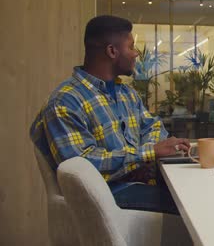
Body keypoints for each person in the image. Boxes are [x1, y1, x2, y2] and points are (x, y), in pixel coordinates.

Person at [30, 15, 190, 214]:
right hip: (105, 197)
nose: (136, 54)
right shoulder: (65, 101)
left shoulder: (126, 93)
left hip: (137, 184)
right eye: (131, 47)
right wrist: (146, 154)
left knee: (196, 190)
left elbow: (153, 126)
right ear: (112, 51)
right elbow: (82, 168)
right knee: (191, 206)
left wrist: (141, 159)